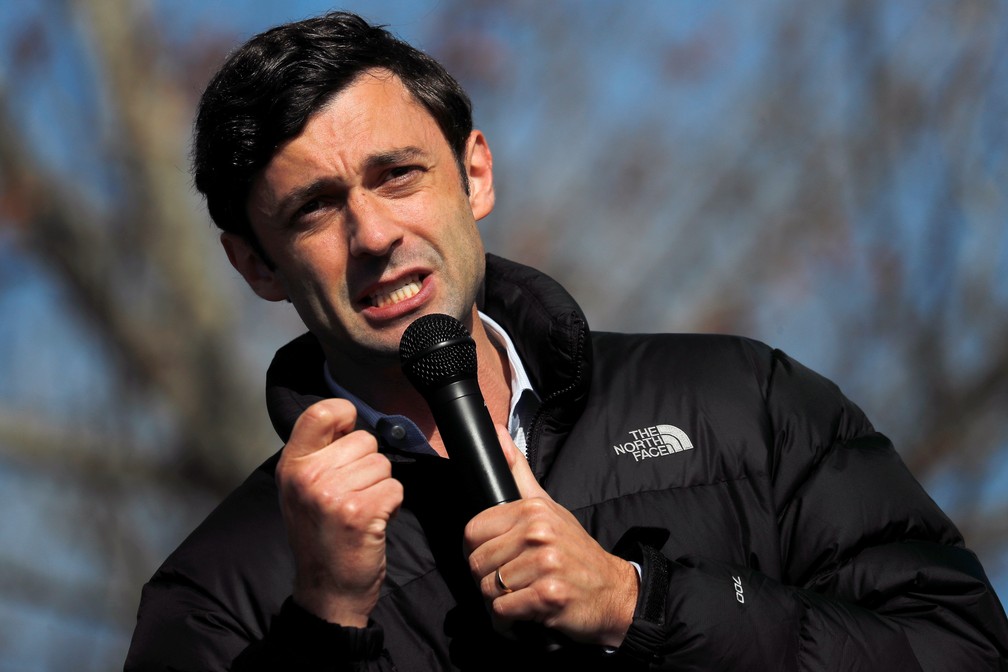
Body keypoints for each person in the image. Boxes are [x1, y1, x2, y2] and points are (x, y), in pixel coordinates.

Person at [124, 10, 1008, 671]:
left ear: (474, 174)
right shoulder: (216, 592)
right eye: (314, 209)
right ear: (255, 264)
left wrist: (642, 602)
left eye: (398, 176)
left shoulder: (745, 400)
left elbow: (962, 651)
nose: (373, 234)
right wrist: (323, 621)